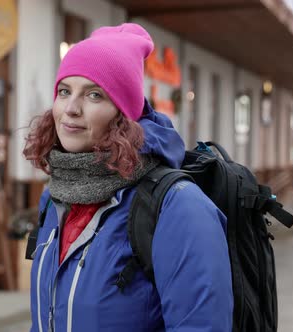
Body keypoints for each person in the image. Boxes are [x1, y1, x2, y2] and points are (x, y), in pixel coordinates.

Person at [23, 23, 233, 332]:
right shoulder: (56, 196)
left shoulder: (177, 207)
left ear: (124, 115)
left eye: (94, 95)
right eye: (64, 91)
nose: (71, 108)